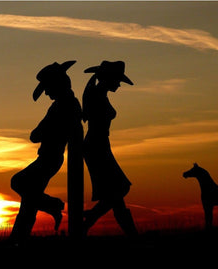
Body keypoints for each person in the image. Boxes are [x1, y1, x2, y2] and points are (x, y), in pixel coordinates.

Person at [9, 61, 83, 244]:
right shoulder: (67, 104)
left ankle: (54, 205)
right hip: (51, 158)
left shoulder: (62, 106)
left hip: (49, 158)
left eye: (48, 89)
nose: (47, 93)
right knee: (29, 202)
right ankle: (17, 240)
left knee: (18, 182)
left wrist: (47, 130)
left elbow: (36, 134)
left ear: (57, 84)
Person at [82, 60, 138, 236]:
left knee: (115, 194)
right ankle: (90, 219)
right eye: (118, 81)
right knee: (119, 190)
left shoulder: (98, 94)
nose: (119, 85)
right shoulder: (96, 94)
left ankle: (87, 223)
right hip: (96, 145)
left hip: (99, 144)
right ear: (109, 79)